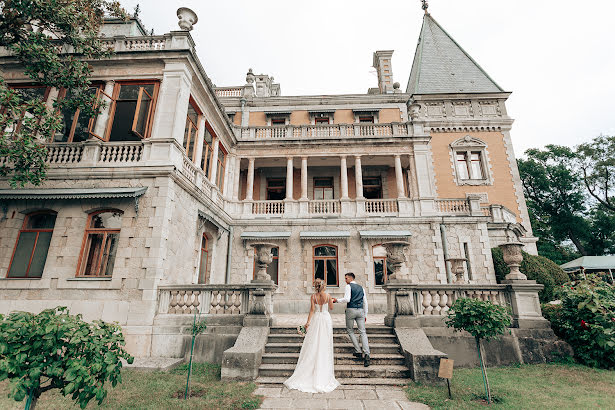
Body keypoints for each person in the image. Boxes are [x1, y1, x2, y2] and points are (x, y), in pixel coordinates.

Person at [283, 278, 340, 393]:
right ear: (324, 286)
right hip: (325, 319)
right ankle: (323, 371)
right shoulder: (328, 295)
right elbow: (331, 308)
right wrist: (332, 301)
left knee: (314, 342)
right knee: (324, 343)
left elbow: (312, 310)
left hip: (316, 319)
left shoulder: (313, 297)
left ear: (316, 286)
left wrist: (307, 323)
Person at [333, 272, 370, 367]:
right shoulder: (361, 288)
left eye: (346, 278)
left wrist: (336, 300)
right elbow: (365, 301)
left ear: (350, 278)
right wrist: (365, 314)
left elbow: (347, 299)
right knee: (363, 332)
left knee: (350, 330)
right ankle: (366, 353)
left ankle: (358, 350)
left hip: (351, 310)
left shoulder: (348, 286)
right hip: (361, 310)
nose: (345, 280)